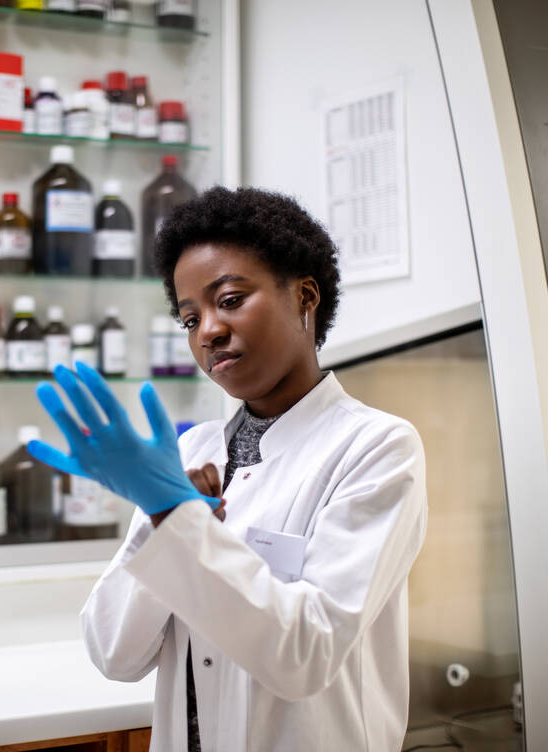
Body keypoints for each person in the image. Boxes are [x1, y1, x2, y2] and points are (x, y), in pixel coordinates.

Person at [28, 187, 428, 751]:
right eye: (190, 319)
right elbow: (113, 652)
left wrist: (179, 520)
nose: (208, 331)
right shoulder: (193, 454)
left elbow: (304, 655)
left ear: (304, 297)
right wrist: (160, 520)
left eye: (231, 299)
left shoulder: (375, 447)